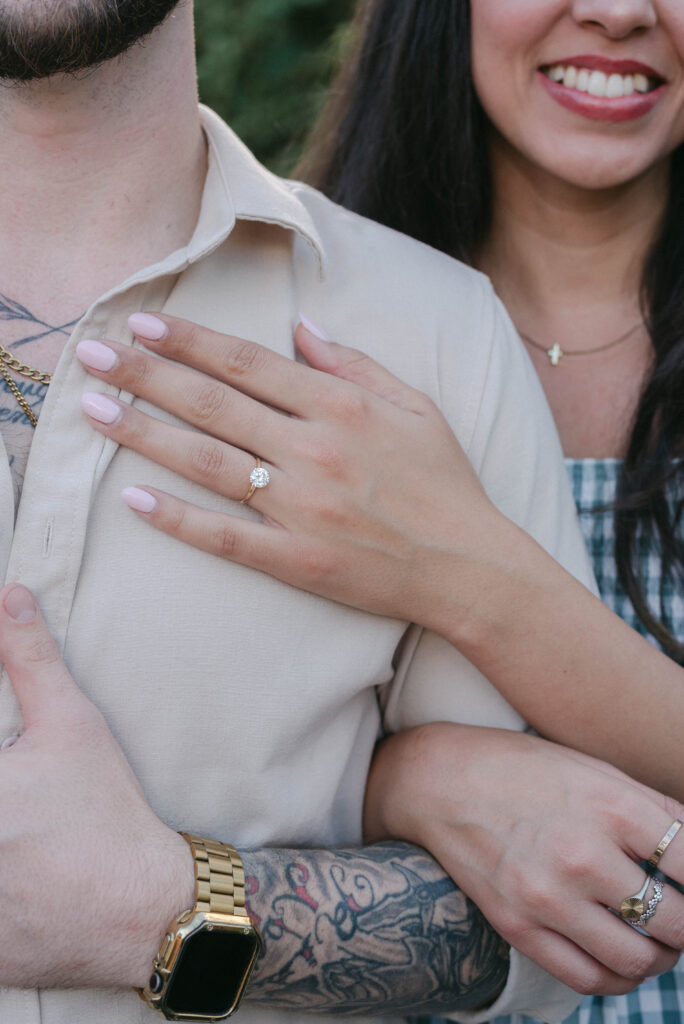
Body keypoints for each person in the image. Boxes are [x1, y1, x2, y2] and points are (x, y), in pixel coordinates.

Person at [0, 2, 666, 1023]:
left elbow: (558, 914)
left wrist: (169, 908)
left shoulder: (428, 341)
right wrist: (398, 780)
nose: (619, 10)